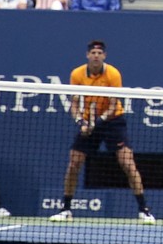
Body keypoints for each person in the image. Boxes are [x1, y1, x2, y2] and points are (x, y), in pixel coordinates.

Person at [51, 41, 153, 223]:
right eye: (93, 52)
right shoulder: (77, 74)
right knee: (74, 163)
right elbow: (74, 104)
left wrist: (96, 123)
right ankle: (66, 209)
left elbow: (114, 105)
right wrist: (81, 122)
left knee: (127, 163)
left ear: (104, 56)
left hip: (112, 121)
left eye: (99, 52)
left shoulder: (113, 74)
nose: (96, 55)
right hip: (88, 121)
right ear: (87, 55)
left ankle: (144, 210)